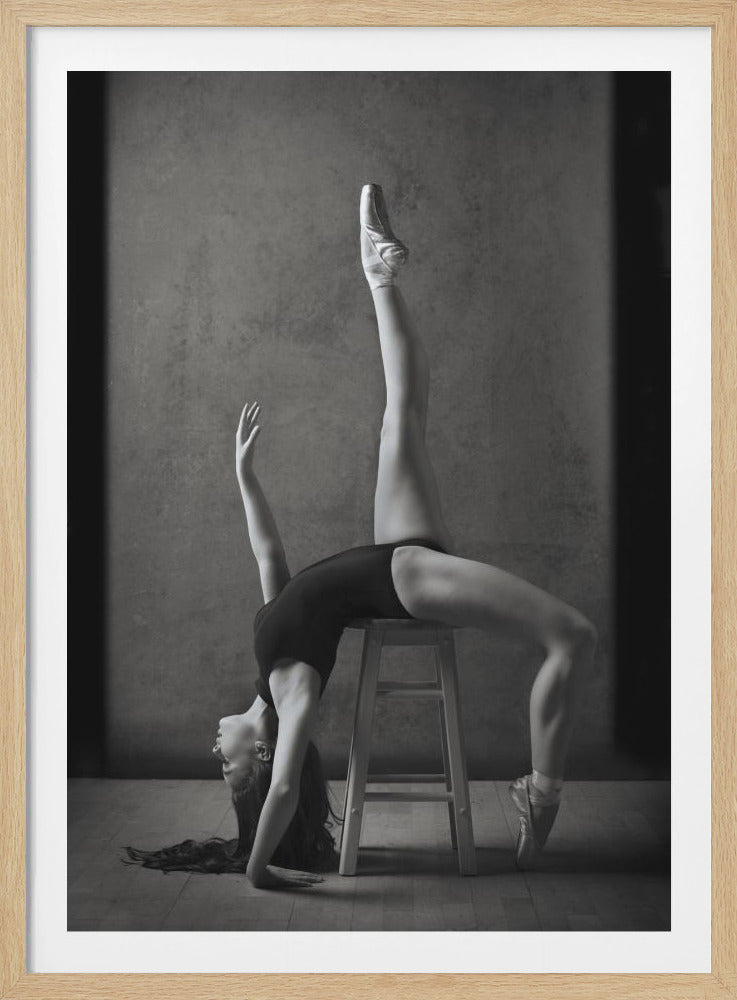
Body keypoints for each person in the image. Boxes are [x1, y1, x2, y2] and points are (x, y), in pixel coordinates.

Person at [124, 184, 597, 887]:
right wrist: (256, 871)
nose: (215, 752)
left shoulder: (266, 661)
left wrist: (244, 476)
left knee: (402, 414)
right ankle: (542, 795)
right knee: (574, 636)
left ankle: (378, 271)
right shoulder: (292, 697)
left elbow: (269, 557)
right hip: (404, 581)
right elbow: (286, 789)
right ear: (260, 753)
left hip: (392, 557)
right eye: (227, 767)